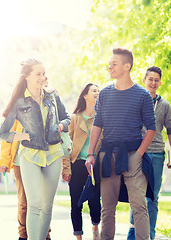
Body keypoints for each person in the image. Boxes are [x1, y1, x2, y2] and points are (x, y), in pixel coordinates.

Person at [85, 48, 156, 240]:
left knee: (139, 206)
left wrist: (139, 154)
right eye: (110, 63)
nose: (109, 66)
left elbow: (151, 128)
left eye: (114, 63)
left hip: (133, 154)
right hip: (107, 155)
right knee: (107, 207)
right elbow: (97, 125)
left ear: (127, 66)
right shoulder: (105, 93)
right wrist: (90, 154)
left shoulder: (142, 95)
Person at [0, 59, 70, 240]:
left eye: (43, 74)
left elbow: (67, 118)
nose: (42, 78)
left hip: (53, 153)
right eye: (38, 74)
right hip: (29, 155)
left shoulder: (52, 95)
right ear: (27, 76)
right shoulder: (19, 101)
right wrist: (24, 136)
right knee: (35, 203)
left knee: (47, 205)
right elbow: (3, 132)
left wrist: (60, 127)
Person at [127, 66, 171, 240]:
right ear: (144, 80)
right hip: (137, 154)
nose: (153, 83)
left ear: (160, 83)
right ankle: (133, 235)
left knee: (152, 198)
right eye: (150, 79)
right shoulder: (135, 101)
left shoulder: (165, 105)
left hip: (156, 154)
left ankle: (150, 235)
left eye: (156, 80)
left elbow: (170, 132)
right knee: (136, 196)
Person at [0, 77, 52, 240]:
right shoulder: (19, 105)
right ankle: (23, 235)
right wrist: (3, 162)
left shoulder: (49, 104)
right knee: (25, 201)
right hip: (21, 161)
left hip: (44, 158)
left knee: (43, 201)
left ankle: (45, 234)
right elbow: (8, 136)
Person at [62, 83, 101, 240]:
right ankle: (78, 236)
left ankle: (95, 228)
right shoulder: (75, 118)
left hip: (94, 165)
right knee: (76, 204)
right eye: (94, 91)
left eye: (99, 91)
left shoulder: (100, 118)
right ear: (85, 95)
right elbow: (66, 145)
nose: (97, 93)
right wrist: (66, 169)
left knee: (95, 202)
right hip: (77, 164)